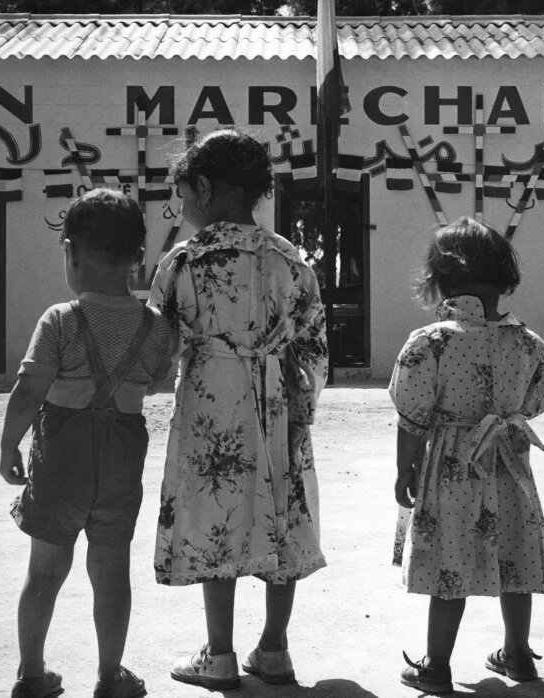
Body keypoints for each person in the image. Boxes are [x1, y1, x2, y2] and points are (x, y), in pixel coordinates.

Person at [148, 129, 328, 690]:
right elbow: (315, 350)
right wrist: (303, 411)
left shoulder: (184, 260)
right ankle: (274, 649)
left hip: (210, 406)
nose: (182, 209)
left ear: (202, 187)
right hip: (278, 403)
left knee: (213, 514)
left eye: (183, 197)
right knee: (284, 513)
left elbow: (162, 345)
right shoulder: (290, 259)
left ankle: (219, 654)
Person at [0, 188, 176, 698]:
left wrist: (9, 445)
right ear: (139, 259)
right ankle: (110, 675)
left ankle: (31, 675)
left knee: (45, 570)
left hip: (62, 458)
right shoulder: (156, 326)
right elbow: (157, 379)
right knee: (111, 569)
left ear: (71, 251)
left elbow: (29, 389)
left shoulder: (59, 320)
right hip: (122, 455)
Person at [389, 217, 544, 693]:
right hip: (510, 468)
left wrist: (406, 466)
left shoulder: (430, 344)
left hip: (450, 471)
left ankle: (436, 666)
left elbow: (412, 416)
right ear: (504, 281)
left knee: (449, 565)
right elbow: (537, 403)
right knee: (515, 560)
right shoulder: (530, 345)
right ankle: (518, 656)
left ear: (439, 280)